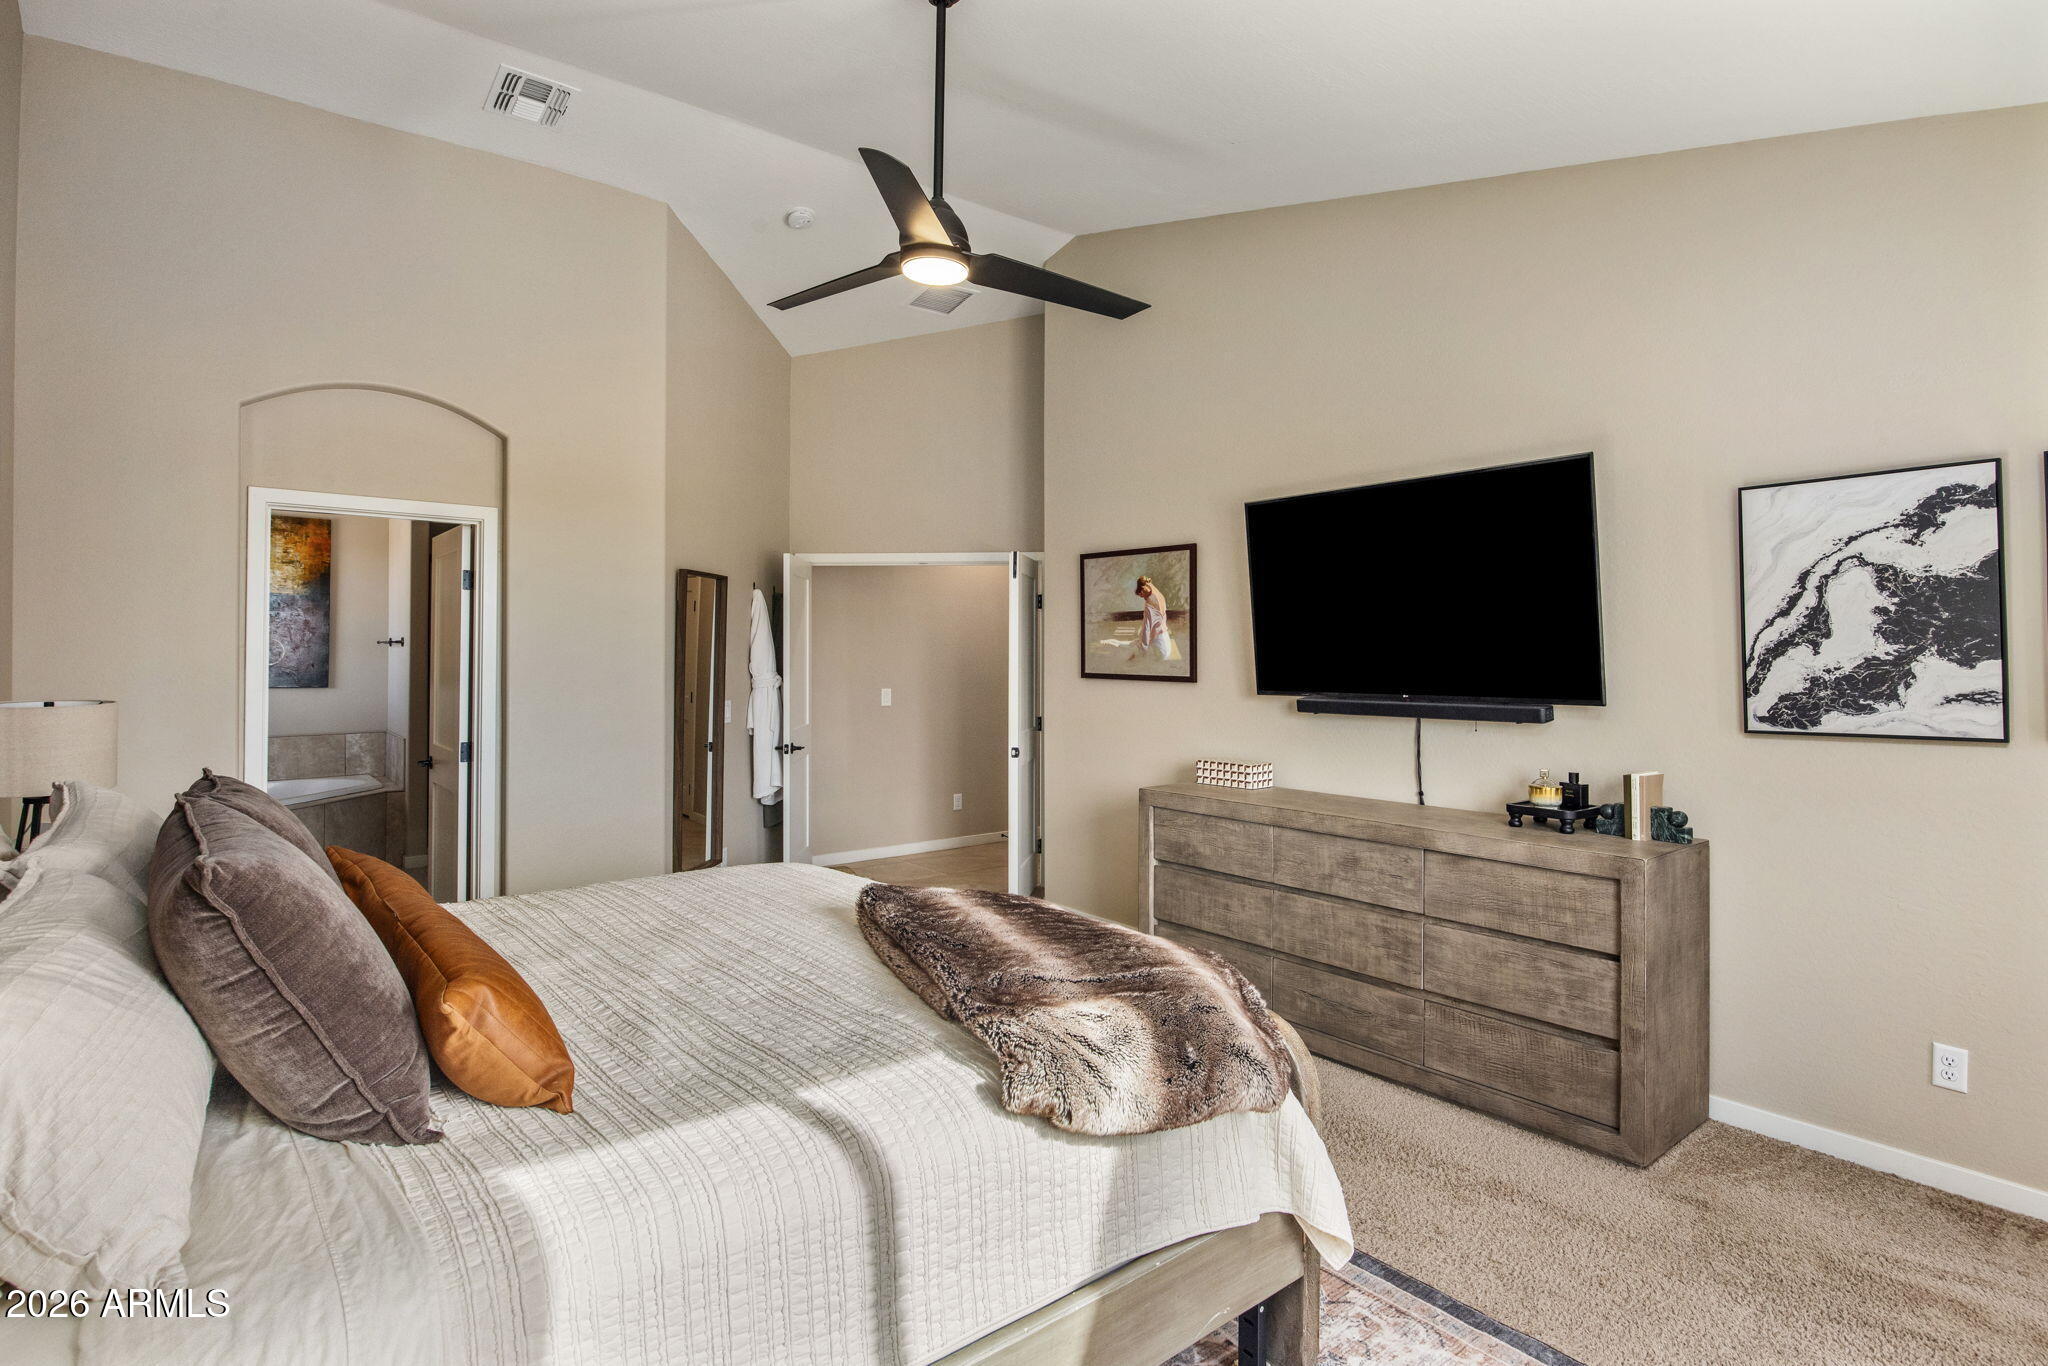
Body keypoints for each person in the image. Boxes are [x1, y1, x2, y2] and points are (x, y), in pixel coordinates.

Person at [1131, 575, 1176, 663]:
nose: (1144, 598)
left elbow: (1146, 630)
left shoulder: (1149, 606)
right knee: (1139, 640)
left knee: (1135, 651)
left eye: (1142, 595)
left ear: (1143, 588)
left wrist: (1143, 650)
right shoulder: (1160, 595)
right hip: (1166, 643)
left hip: (1160, 650)